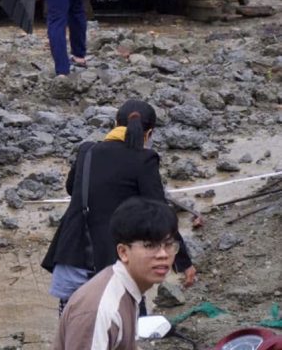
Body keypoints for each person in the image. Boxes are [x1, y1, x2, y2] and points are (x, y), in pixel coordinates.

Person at [43, 99, 196, 312]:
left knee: (75, 330)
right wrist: (182, 262)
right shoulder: (144, 159)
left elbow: (71, 188)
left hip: (72, 255)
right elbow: (161, 215)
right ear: (149, 133)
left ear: (115, 123)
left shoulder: (87, 151)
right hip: (114, 261)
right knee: (125, 333)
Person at [53, 197, 180, 350]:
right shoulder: (101, 311)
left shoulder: (126, 288)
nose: (163, 254)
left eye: (168, 245)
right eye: (150, 245)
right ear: (123, 252)